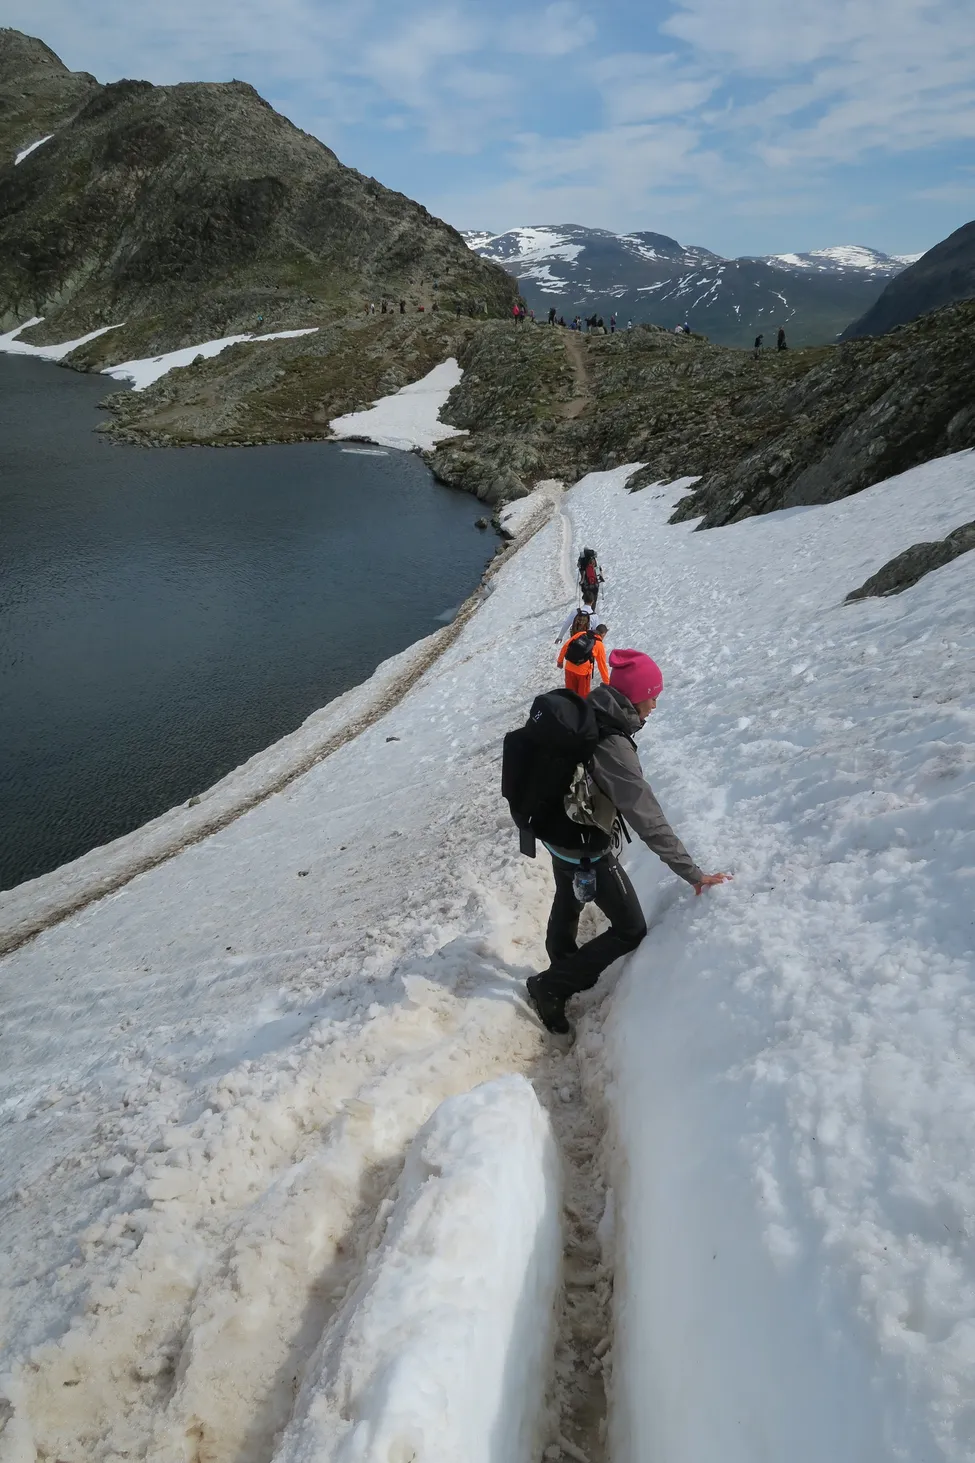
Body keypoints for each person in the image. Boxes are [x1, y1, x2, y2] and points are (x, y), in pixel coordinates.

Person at [525, 649, 731, 1033]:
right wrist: (693, 873)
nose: (654, 705)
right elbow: (647, 818)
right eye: (652, 697)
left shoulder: (590, 709)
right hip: (583, 846)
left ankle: (564, 963)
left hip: (557, 832)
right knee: (630, 928)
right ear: (635, 696)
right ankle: (550, 986)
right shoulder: (612, 745)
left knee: (567, 897)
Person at [557, 612, 601, 698]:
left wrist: (560, 661)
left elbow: (565, 646)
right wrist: (607, 683)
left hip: (569, 667)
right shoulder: (598, 644)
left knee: (570, 695)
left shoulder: (578, 634)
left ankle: (570, 709)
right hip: (583, 672)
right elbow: (602, 665)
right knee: (583, 697)